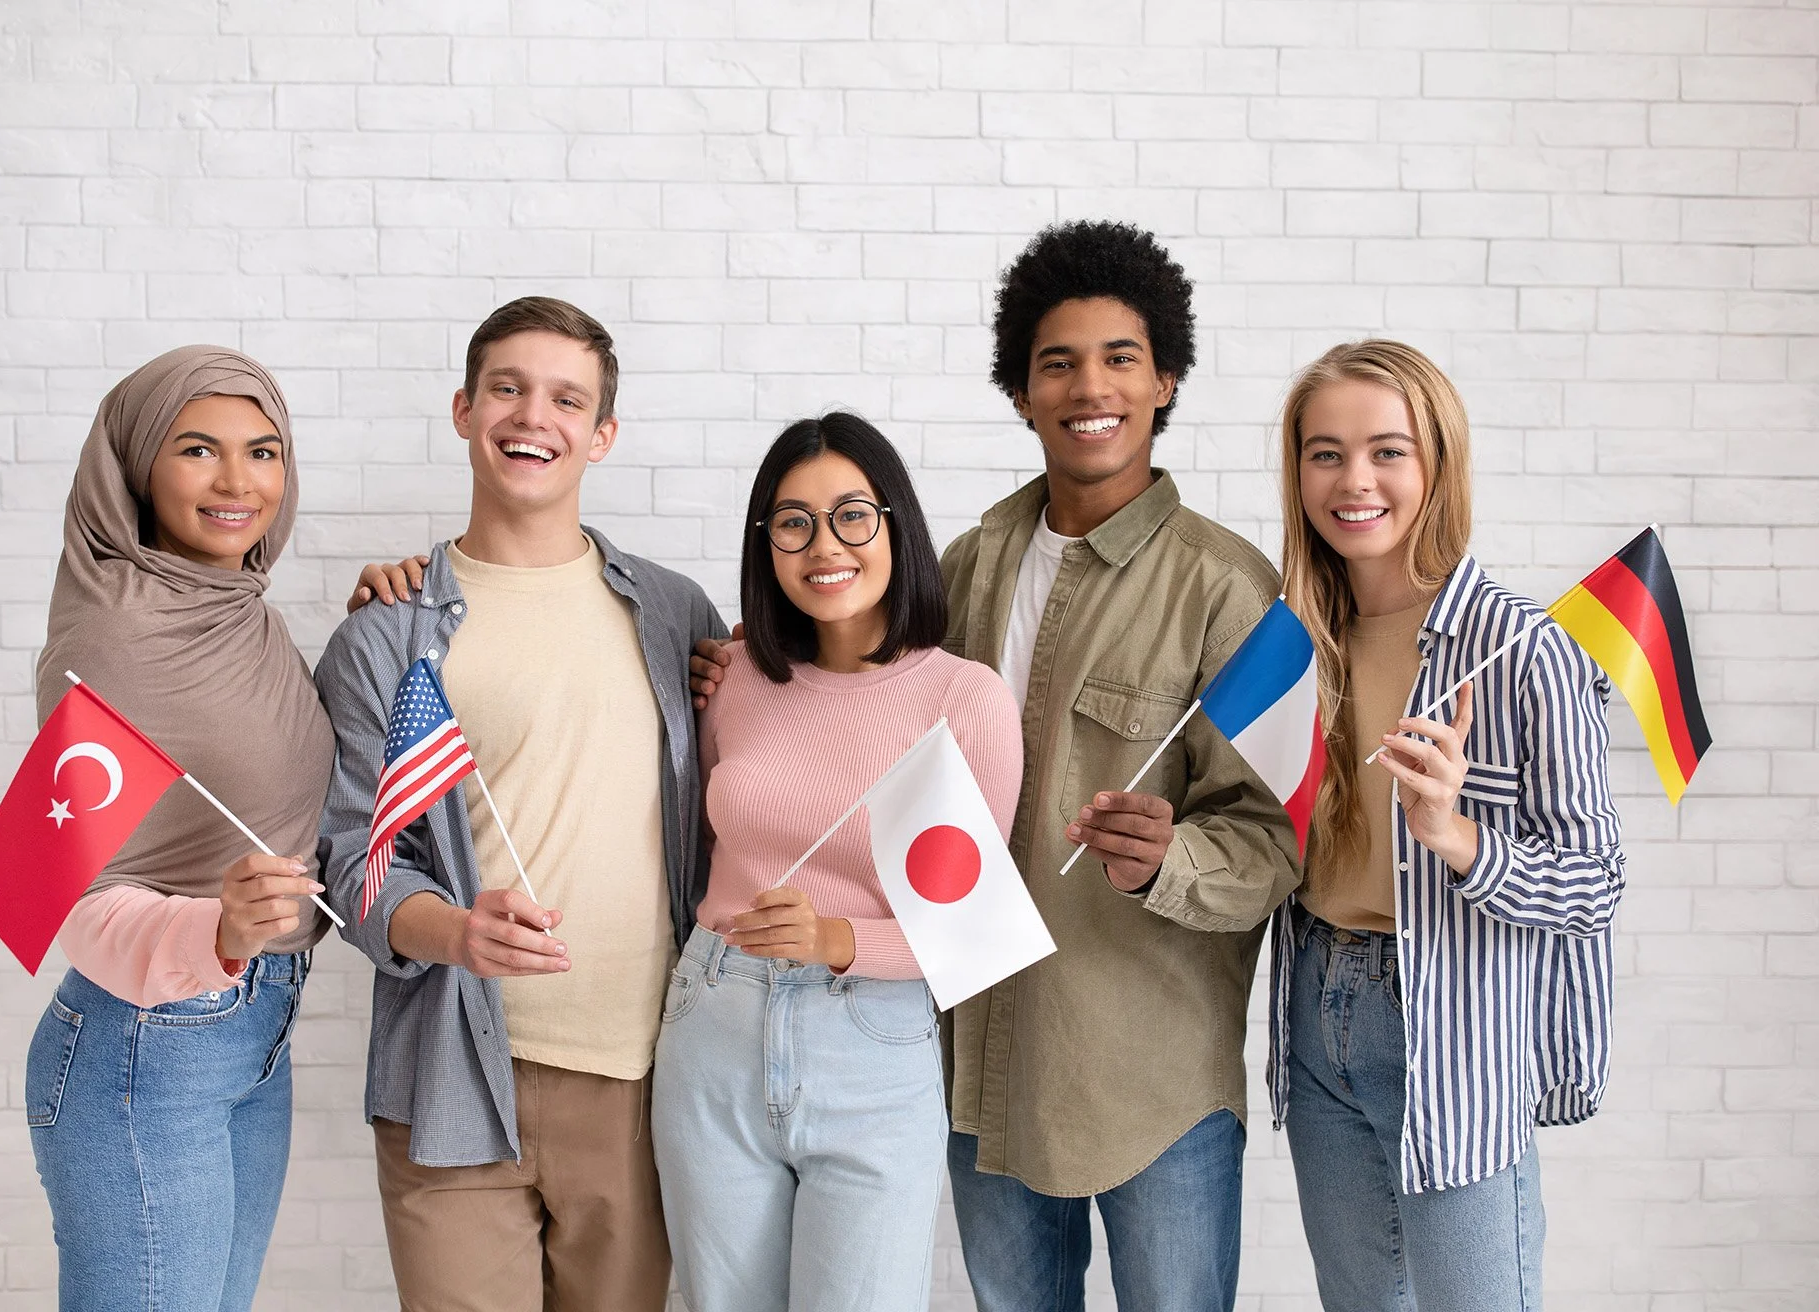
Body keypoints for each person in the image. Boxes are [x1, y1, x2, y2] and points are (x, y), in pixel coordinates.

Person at [694, 220, 1302, 1310]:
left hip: (1144, 1070)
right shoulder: (965, 566)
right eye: (1055, 363)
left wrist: (1170, 855)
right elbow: (847, 684)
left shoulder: (1226, 588)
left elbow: (1274, 839)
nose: (1087, 387)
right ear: (1019, 392)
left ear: (1165, 378)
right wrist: (737, 667)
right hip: (974, 1061)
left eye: (1119, 357)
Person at [311, 296, 725, 1311]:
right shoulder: (386, 636)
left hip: (642, 1077)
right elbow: (350, 855)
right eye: (506, 386)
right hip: (450, 1076)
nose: (530, 414)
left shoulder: (673, 614)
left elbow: (750, 792)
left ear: (601, 434)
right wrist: (451, 929)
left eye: (564, 397)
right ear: (462, 408)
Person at [1270, 340, 1625, 1311]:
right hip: (1312, 998)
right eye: (1324, 452)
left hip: (1450, 1025)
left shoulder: (1523, 648)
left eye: (1386, 450)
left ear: (1437, 461)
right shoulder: (1290, 641)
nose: (1353, 480)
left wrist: (1457, 838)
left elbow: (1594, 881)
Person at [653, 413, 1022, 1312]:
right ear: (767, 544)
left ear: (896, 525)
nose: (825, 545)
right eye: (793, 522)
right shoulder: (732, 679)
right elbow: (705, 847)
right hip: (714, 1023)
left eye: (853, 515)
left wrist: (835, 937)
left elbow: (971, 939)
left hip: (874, 1044)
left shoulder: (963, 699)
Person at [24, 347, 334, 1311]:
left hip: (254, 1030)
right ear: (136, 468)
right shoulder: (114, 634)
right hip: (145, 1050)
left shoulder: (244, 615)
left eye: (264, 451)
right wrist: (218, 930)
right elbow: (59, 892)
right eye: (198, 449)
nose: (240, 482)